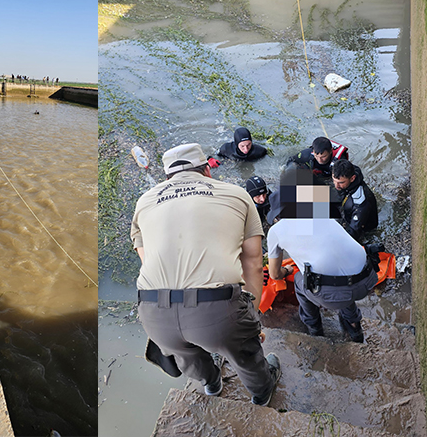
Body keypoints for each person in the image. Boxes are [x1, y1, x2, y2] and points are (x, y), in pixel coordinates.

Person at [131, 143, 281, 407]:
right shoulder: (236, 194)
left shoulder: (144, 201)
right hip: (217, 312)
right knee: (244, 352)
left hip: (154, 314)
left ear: (167, 177)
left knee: (186, 353)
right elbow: (254, 263)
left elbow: (147, 259)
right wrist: (252, 316)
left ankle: (211, 384)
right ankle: (261, 392)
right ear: (207, 171)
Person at [267, 168, 378, 343]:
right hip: (369, 277)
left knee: (299, 280)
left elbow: (274, 274)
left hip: (337, 295)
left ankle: (315, 330)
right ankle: (354, 328)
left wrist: (286, 270)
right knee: (340, 273)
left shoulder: (276, 232)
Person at [332, 159, 378, 242]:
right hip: (347, 205)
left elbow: (353, 232)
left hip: (362, 228)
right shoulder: (347, 175)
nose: (336, 185)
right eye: (334, 181)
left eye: (341, 182)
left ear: (352, 178)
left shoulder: (361, 202)